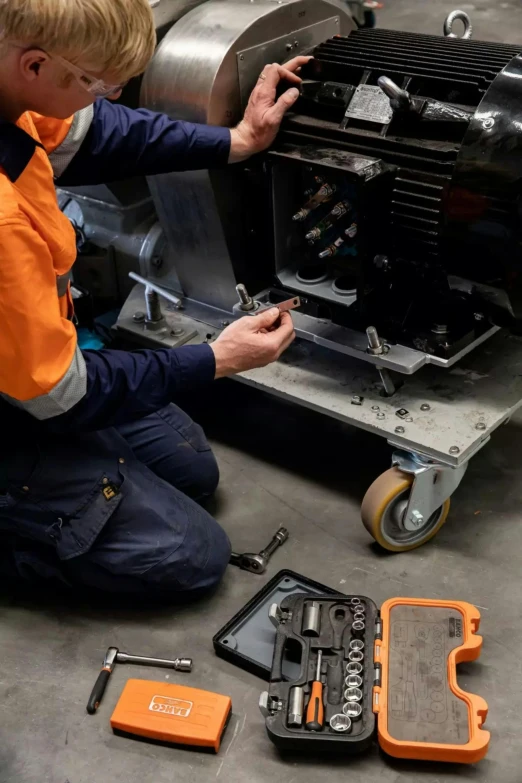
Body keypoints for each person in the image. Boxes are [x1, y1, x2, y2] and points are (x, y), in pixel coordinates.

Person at [0, 0, 308, 598]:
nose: (111, 97)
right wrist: (215, 360)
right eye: (99, 83)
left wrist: (235, 141)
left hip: (27, 363)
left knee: (191, 467)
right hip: (27, 395)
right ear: (35, 64)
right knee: (191, 554)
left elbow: (97, 136)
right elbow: (63, 398)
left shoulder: (15, 87)